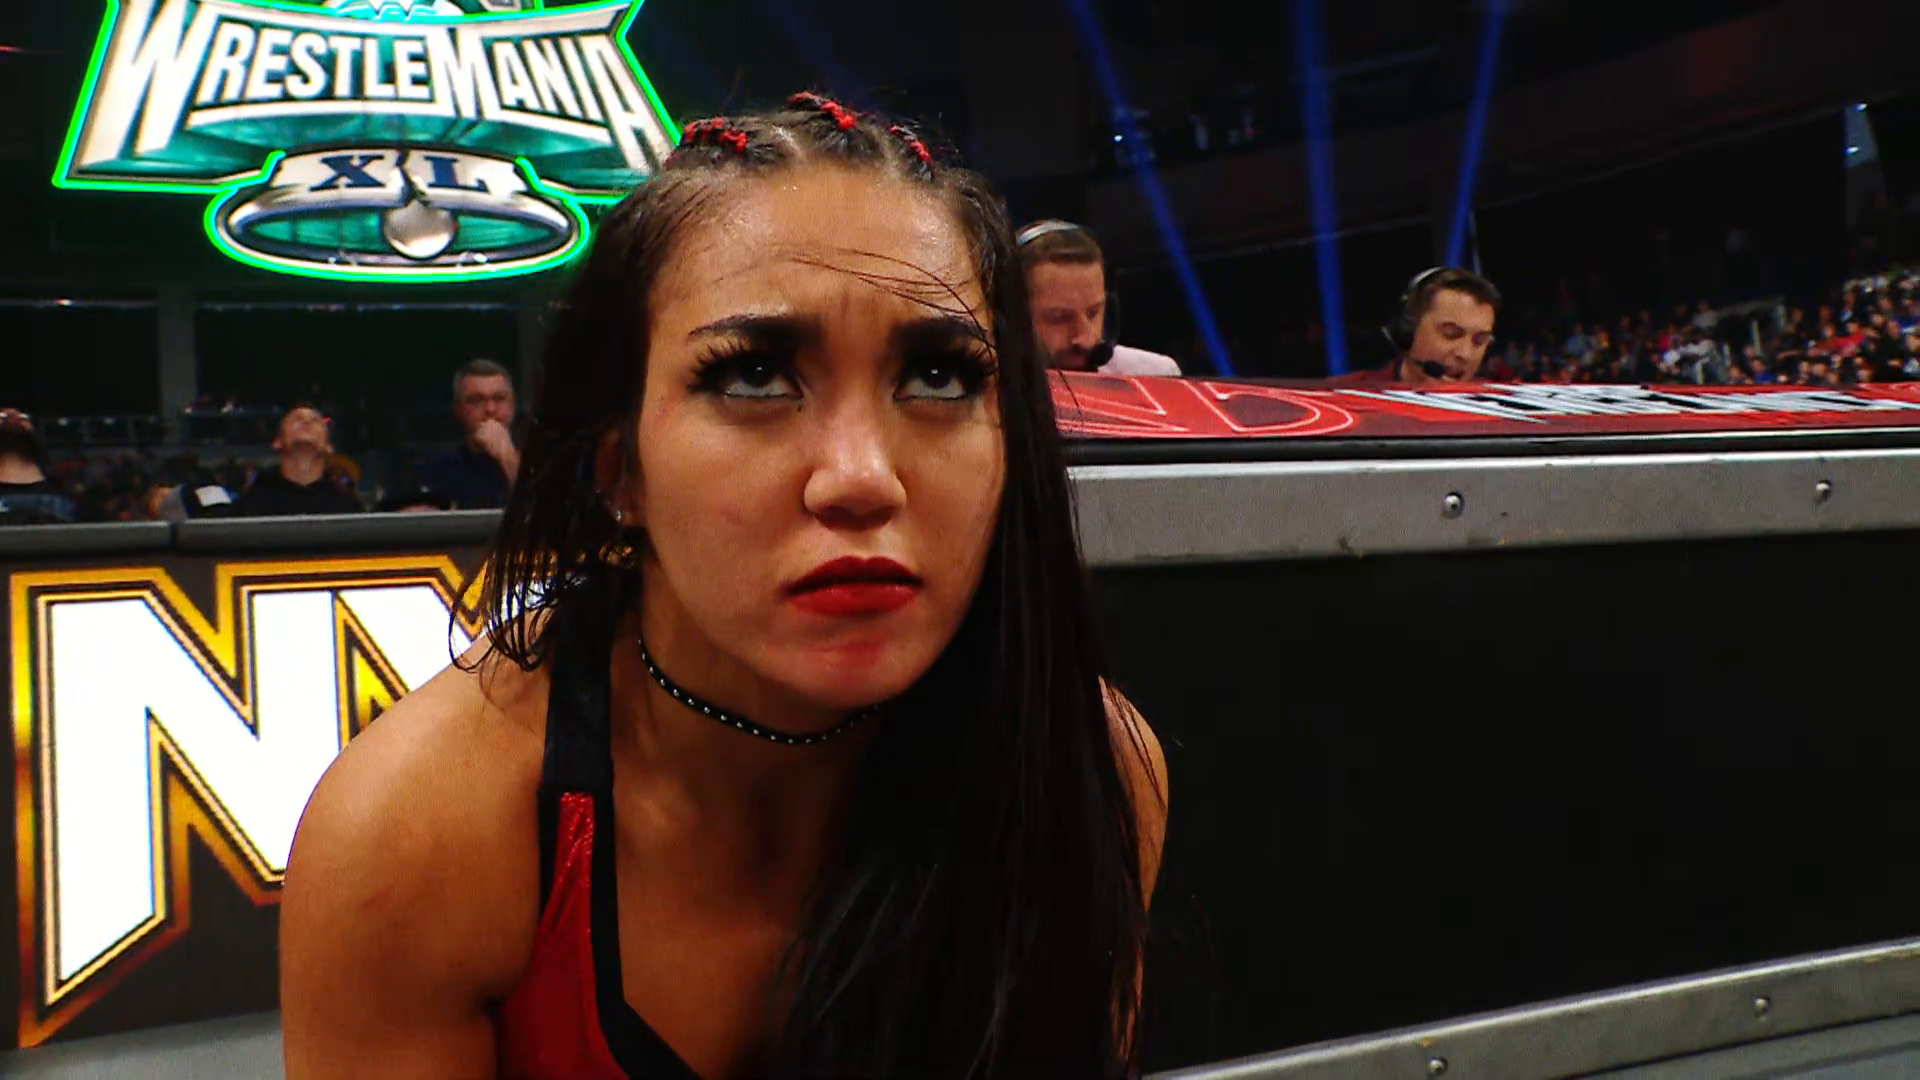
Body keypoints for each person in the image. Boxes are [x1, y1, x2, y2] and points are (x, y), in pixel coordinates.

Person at [281, 93, 1168, 1079]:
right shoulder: (419, 834)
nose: (862, 478)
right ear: (620, 468)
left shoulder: (1089, 768)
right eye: (753, 377)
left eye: (939, 378)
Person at [1016, 219, 1182, 376]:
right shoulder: (1000, 391)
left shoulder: (1156, 375)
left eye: (1093, 313)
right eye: (1060, 318)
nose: (1085, 339)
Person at [1331, 266, 1502, 386]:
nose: (1465, 354)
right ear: (1408, 330)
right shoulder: (1342, 396)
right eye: (1451, 334)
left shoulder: (1501, 411)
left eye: (1480, 341)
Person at [417, 358, 520, 509]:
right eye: (476, 401)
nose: (490, 409)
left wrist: (507, 457)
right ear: (458, 409)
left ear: (513, 406)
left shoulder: (543, 462)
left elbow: (544, 509)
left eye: (499, 398)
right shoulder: (437, 471)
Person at [231, 405, 363, 516]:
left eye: (315, 420)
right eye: (296, 419)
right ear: (277, 442)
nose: (306, 423)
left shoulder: (349, 509)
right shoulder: (250, 505)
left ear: (328, 446)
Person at [0, 409, 77, 525]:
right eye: (3, 416)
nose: (12, 417)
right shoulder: (59, 499)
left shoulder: (61, 497)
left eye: (22, 417)